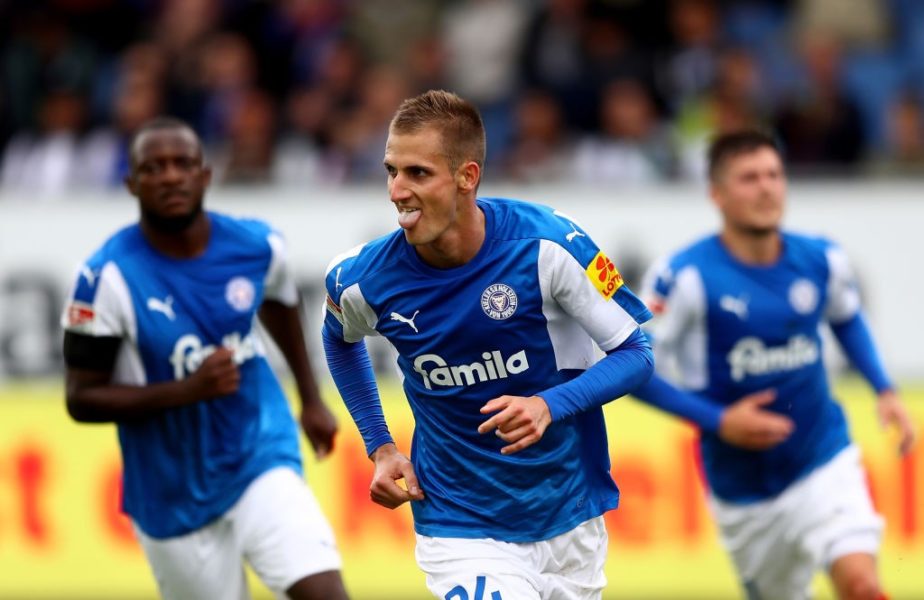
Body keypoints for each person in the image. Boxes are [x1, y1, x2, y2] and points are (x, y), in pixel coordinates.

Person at [321, 89, 654, 599]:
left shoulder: (550, 246)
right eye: (391, 171)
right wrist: (381, 446)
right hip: (459, 521)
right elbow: (339, 340)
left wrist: (550, 404)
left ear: (466, 176)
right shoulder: (362, 279)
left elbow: (636, 354)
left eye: (417, 173)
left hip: (568, 514)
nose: (396, 191)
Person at [60, 117, 349, 600]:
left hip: (258, 452)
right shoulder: (104, 278)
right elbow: (80, 398)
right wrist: (186, 390)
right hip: (170, 491)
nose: (170, 176)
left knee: (323, 591)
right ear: (131, 183)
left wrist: (310, 399)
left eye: (182, 164)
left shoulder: (258, 246)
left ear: (205, 174)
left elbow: (280, 300)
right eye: (153, 168)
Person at [632, 130, 916, 600]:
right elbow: (632, 367)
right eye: (749, 178)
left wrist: (884, 389)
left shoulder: (820, 258)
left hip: (823, 457)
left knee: (862, 585)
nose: (766, 187)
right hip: (745, 490)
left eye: (773, 174)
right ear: (717, 195)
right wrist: (719, 420)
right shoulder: (684, 276)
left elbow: (846, 318)